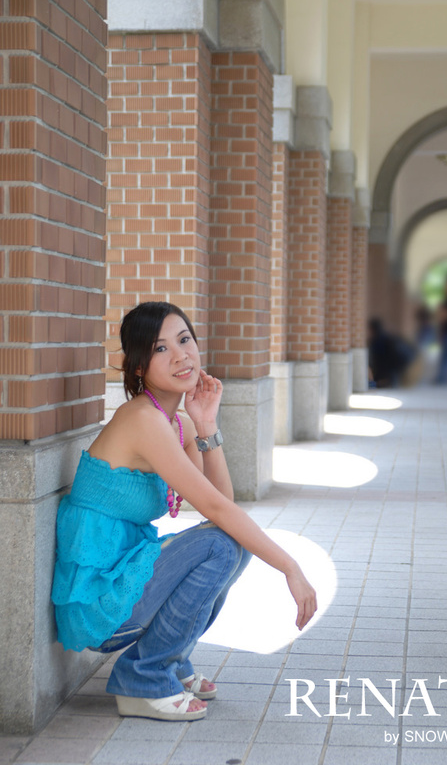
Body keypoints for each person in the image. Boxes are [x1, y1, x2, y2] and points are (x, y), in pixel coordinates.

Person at [52, 301, 317, 722]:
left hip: (124, 577)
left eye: (184, 339)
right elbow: (217, 509)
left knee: (232, 543)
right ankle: (144, 677)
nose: (180, 355)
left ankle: (170, 660)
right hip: (98, 599)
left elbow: (221, 507)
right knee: (220, 545)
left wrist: (207, 424)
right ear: (139, 366)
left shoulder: (178, 423)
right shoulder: (142, 419)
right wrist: (290, 567)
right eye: (161, 349)